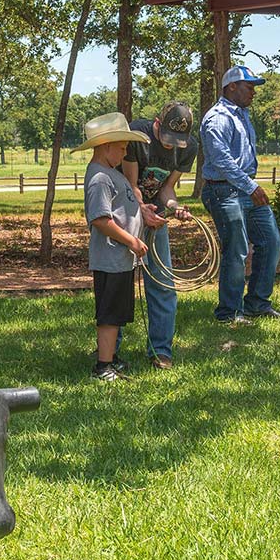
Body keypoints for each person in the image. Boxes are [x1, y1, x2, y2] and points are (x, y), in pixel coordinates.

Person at [200, 65, 280, 324]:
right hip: (223, 190)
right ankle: (229, 312)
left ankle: (257, 303)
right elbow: (222, 161)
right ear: (231, 87)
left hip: (245, 187)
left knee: (271, 242)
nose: (254, 93)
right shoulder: (218, 118)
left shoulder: (241, 115)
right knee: (236, 251)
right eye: (249, 87)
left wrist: (249, 186)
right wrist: (251, 187)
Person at [119, 102, 198, 370]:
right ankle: (111, 352)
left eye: (177, 141)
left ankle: (160, 351)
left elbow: (167, 188)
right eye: (167, 138)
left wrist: (174, 208)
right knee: (119, 281)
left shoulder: (190, 147)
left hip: (157, 216)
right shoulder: (136, 136)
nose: (170, 145)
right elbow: (131, 185)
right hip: (124, 211)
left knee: (163, 283)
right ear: (156, 123)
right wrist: (141, 211)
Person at [75, 112, 149, 382]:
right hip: (110, 257)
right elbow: (100, 220)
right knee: (108, 313)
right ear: (106, 146)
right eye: (121, 147)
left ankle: (112, 359)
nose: (125, 152)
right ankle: (103, 366)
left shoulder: (109, 174)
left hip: (120, 258)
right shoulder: (99, 179)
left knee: (117, 311)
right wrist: (131, 240)